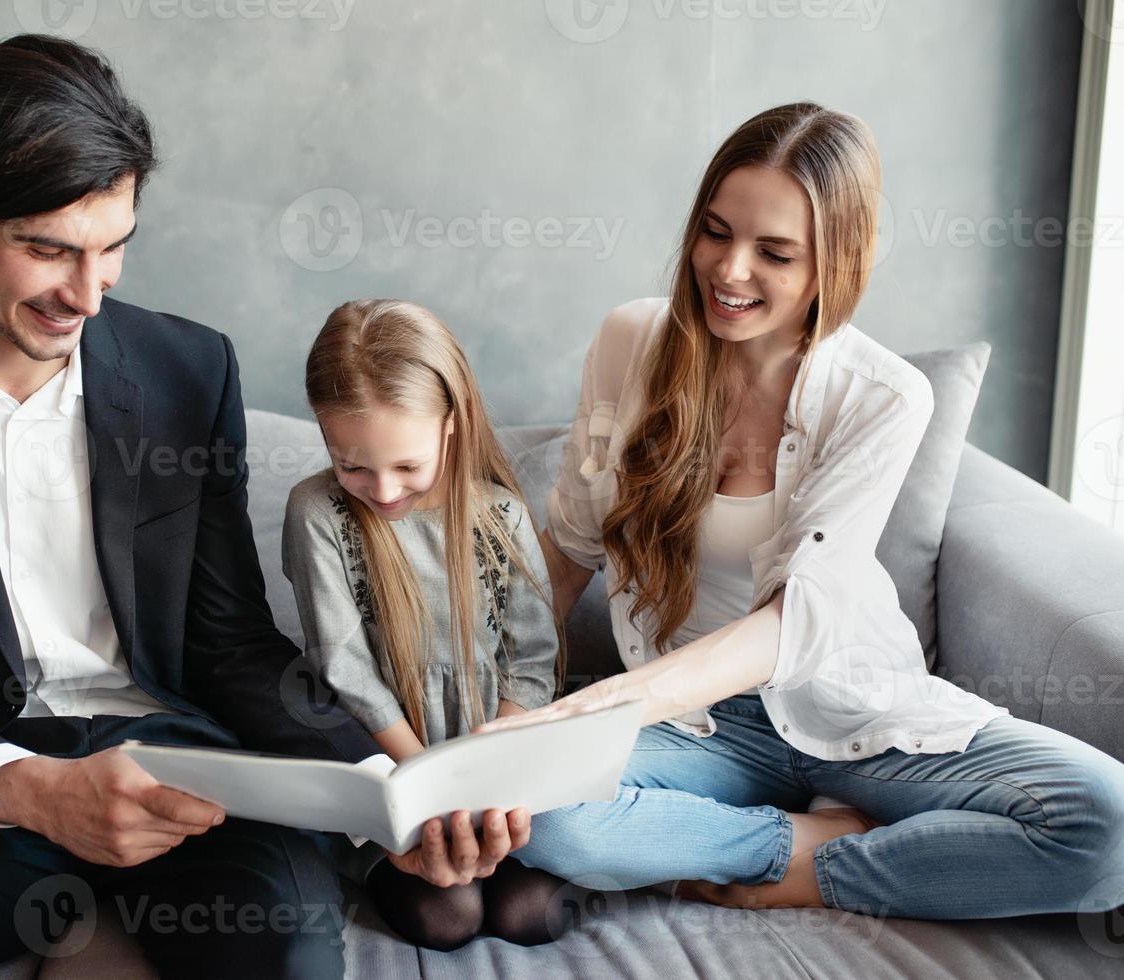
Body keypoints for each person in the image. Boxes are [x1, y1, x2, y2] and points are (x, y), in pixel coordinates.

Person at [0, 35, 523, 979]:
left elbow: (229, 642)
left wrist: (381, 791)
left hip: (182, 782)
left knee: (289, 940)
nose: (88, 292)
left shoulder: (187, 370)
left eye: (112, 247)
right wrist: (33, 789)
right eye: (47, 250)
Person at [479, 102, 1124, 919]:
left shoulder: (883, 396)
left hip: (852, 712)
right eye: (714, 233)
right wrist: (507, 721)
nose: (729, 270)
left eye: (774, 253)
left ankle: (804, 871)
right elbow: (567, 552)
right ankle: (783, 841)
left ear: (834, 264)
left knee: (1108, 824)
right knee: (543, 821)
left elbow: (795, 621)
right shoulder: (630, 343)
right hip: (699, 729)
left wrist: (592, 707)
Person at [282, 299, 570, 949]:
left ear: (449, 422)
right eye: (351, 464)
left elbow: (529, 660)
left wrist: (485, 781)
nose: (381, 491)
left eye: (405, 466)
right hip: (389, 762)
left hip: (493, 760)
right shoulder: (316, 512)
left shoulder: (499, 514)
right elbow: (345, 669)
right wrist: (430, 788)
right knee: (450, 917)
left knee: (532, 913)